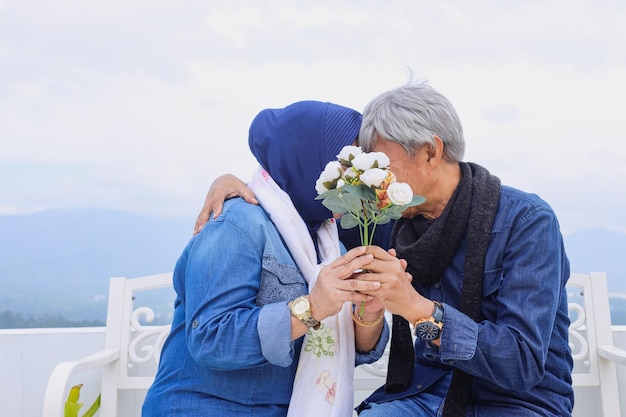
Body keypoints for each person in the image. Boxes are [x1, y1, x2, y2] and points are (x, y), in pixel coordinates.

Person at [194, 81, 574, 417]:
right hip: (420, 397)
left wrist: (414, 307)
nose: (374, 180)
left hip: (515, 403)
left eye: (382, 163)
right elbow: (295, 196)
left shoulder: (526, 222)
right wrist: (232, 183)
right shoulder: (388, 220)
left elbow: (520, 363)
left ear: (430, 152)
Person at [142, 100, 399, 417]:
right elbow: (211, 338)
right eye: (347, 166)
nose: (356, 180)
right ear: (309, 160)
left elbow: (358, 350)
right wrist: (313, 307)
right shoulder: (236, 225)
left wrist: (368, 312)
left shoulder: (329, 240)